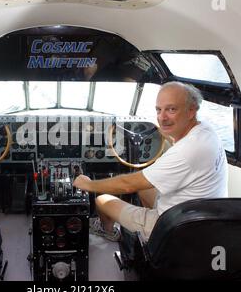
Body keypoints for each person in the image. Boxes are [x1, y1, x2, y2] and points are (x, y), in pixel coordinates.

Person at [73, 81, 228, 241]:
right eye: (159, 110)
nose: (162, 117)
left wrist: (89, 185)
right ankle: (143, 227)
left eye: (171, 109)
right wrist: (162, 128)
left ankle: (110, 232)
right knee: (144, 188)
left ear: (191, 111)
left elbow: (128, 185)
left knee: (102, 199)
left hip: (173, 227)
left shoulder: (186, 151)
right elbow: (176, 137)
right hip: (197, 217)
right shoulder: (205, 131)